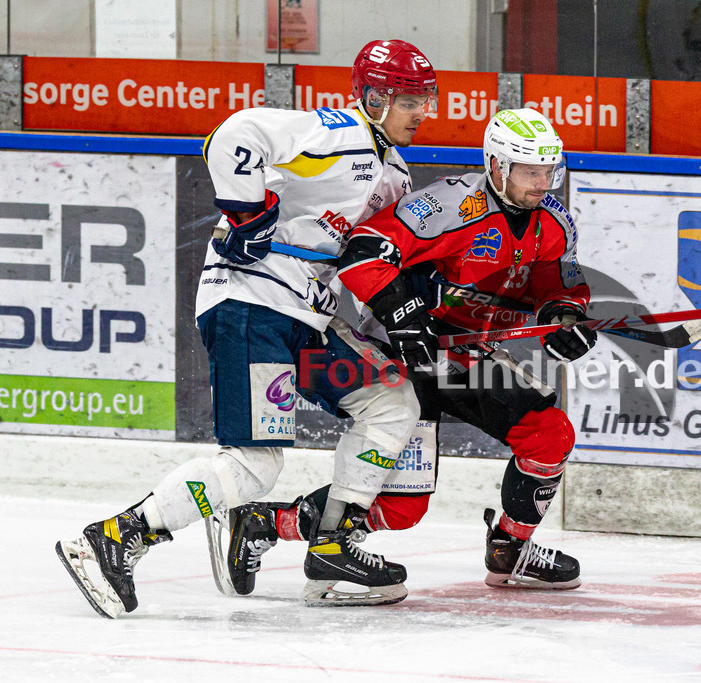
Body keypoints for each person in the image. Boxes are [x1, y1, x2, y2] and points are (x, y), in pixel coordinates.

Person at [55, 39, 439, 617]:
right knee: (254, 462)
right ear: (376, 97)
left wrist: (410, 308)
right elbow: (236, 134)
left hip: (304, 320)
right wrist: (248, 212)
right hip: (252, 306)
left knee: (389, 403)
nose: (422, 112)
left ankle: (333, 539)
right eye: (410, 100)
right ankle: (112, 539)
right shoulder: (341, 133)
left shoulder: (391, 172)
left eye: (424, 99)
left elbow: (367, 257)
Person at [222, 108, 596, 593]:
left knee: (549, 435)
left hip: (465, 358)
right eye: (529, 170)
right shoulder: (449, 204)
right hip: (406, 358)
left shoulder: (554, 222)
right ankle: (267, 523)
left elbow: (557, 282)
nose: (541, 182)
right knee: (402, 510)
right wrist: (404, 314)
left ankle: (510, 549)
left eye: (548, 171)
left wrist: (564, 316)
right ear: (497, 165)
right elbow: (363, 250)